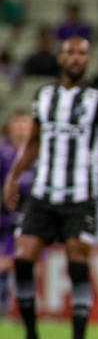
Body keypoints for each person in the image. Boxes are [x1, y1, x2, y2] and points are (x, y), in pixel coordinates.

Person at [3, 36, 98, 339]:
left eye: (82, 54)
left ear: (88, 60)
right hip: (43, 194)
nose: (76, 58)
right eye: (70, 53)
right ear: (60, 58)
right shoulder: (44, 96)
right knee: (23, 261)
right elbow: (32, 143)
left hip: (80, 198)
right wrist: (13, 176)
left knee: (77, 266)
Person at [0, 111, 34, 314]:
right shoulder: (2, 155)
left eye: (25, 126)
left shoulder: (42, 157)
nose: (21, 130)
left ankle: (25, 315)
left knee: (27, 268)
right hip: (3, 223)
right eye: (17, 126)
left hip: (31, 223)